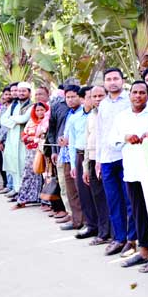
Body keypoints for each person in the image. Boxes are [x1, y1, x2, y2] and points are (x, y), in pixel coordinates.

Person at [110, 81, 148, 272]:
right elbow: (111, 140)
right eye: (135, 92)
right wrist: (125, 137)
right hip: (132, 171)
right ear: (130, 95)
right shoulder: (121, 117)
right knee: (138, 213)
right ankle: (143, 251)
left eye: (142, 92)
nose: (138, 96)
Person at [96, 67, 137, 257]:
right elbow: (100, 133)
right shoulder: (103, 104)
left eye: (115, 78)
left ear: (122, 80)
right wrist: (97, 160)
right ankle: (119, 238)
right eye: (108, 79)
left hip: (125, 155)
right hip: (106, 158)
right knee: (113, 200)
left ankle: (132, 239)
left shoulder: (130, 100)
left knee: (129, 201)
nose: (112, 82)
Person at [50, 84, 85, 231]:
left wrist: (69, 141)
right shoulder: (68, 112)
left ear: (80, 98)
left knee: (79, 190)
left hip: (77, 155)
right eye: (68, 97)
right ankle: (75, 218)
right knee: (68, 189)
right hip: (65, 154)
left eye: (73, 97)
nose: (70, 100)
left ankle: (83, 220)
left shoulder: (84, 113)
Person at [67, 86, 98, 240]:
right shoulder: (75, 118)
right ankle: (91, 225)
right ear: (82, 99)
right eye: (89, 96)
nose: (93, 99)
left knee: (97, 194)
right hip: (80, 156)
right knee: (84, 194)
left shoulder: (98, 115)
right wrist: (73, 164)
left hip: (95, 155)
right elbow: (71, 142)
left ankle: (103, 227)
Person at [82, 85, 111, 246]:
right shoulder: (90, 117)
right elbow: (88, 142)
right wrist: (86, 167)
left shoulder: (112, 114)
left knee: (111, 199)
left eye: (101, 96)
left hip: (108, 160)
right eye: (95, 96)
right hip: (93, 159)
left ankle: (114, 234)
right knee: (98, 199)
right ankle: (103, 233)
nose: (98, 99)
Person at [0, 82, 33, 198]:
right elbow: (2, 120)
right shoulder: (13, 105)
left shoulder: (31, 106)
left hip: (22, 140)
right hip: (11, 139)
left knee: (22, 165)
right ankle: (16, 188)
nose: (21, 93)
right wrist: (15, 121)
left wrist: (12, 119)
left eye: (24, 91)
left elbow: (24, 119)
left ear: (29, 92)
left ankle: (23, 191)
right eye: (19, 91)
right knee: (13, 164)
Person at [14, 102, 49, 208]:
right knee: (29, 174)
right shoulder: (31, 121)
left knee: (46, 176)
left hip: (44, 151)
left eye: (42, 110)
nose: (39, 112)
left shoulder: (47, 121)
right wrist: (28, 138)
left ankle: (46, 201)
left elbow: (45, 136)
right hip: (31, 152)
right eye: (37, 110)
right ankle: (24, 199)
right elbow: (24, 135)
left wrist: (33, 138)